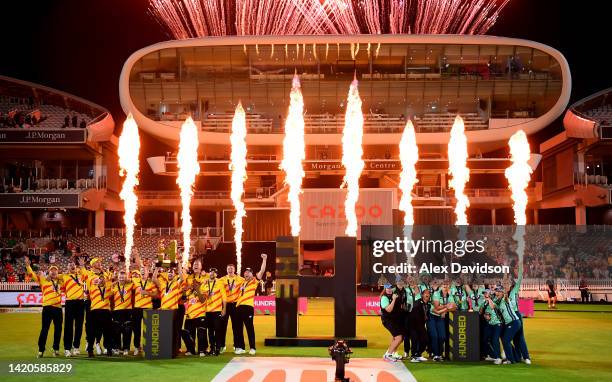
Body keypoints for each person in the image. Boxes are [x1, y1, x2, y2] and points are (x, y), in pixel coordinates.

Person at [25, 257, 63, 358]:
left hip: (58, 308)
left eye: (55, 270)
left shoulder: (60, 281)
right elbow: (32, 275)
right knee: (45, 329)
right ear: (48, 272)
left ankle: (56, 349)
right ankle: (41, 350)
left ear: (58, 272)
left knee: (58, 330)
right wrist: (28, 266)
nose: (54, 272)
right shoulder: (42, 279)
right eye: (52, 270)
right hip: (47, 308)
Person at [234, 254, 267, 355]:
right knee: (238, 328)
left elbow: (261, 271)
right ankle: (241, 347)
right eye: (245, 272)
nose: (246, 273)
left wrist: (264, 260)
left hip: (248, 307)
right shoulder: (241, 282)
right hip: (238, 307)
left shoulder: (254, 281)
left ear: (252, 274)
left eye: (249, 272)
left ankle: (252, 347)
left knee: (249, 328)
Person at [152, 259, 185, 357]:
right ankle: (164, 350)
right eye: (169, 273)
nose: (170, 274)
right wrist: (157, 267)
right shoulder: (162, 284)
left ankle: (174, 352)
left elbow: (182, 279)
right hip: (163, 311)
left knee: (174, 332)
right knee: (164, 331)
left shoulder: (176, 284)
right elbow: (154, 279)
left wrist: (179, 266)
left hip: (173, 311)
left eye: (172, 273)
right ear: (167, 275)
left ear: (174, 275)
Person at [82, 258, 114, 357]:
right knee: (92, 331)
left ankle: (108, 349)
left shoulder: (108, 285)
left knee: (107, 331)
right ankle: (90, 350)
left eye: (103, 279)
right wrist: (82, 265)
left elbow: (112, 280)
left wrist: (105, 272)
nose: (102, 280)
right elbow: (84, 276)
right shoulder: (91, 283)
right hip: (94, 310)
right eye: (97, 262)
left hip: (106, 311)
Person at [181, 263, 208, 357]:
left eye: (196, 282)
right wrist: (184, 291)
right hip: (189, 315)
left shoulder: (204, 288)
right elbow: (183, 300)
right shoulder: (189, 290)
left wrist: (198, 289)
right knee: (187, 333)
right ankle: (190, 350)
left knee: (201, 333)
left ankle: (202, 350)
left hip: (200, 314)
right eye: (193, 282)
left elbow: (203, 300)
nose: (194, 283)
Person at [131, 262, 157, 355]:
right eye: (141, 271)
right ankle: (137, 347)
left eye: (144, 271)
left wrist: (147, 293)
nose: (142, 272)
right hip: (137, 308)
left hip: (148, 308)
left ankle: (148, 347)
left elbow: (155, 294)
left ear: (147, 272)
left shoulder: (151, 282)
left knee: (148, 329)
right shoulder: (135, 281)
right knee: (136, 329)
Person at [61, 261, 86, 357]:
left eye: (73, 265)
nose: (72, 266)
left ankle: (76, 347)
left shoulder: (81, 275)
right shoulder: (64, 276)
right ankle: (67, 348)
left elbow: (87, 274)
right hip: (70, 302)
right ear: (67, 267)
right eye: (70, 265)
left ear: (76, 267)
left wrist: (82, 266)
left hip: (80, 302)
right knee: (68, 326)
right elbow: (62, 289)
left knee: (79, 326)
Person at [218, 263, 244, 353]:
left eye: (231, 268)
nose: (230, 269)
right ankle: (221, 345)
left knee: (237, 326)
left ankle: (237, 346)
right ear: (226, 269)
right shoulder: (222, 280)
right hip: (225, 304)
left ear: (234, 269)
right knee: (222, 326)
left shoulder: (240, 279)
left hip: (236, 305)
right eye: (228, 268)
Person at [202, 267, 226, 355]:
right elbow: (201, 293)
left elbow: (224, 298)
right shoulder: (205, 283)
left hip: (217, 310)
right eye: (211, 272)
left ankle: (218, 348)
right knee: (210, 331)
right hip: (207, 311)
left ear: (216, 274)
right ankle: (212, 348)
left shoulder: (220, 283)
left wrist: (224, 309)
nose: (212, 274)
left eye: (214, 272)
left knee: (217, 330)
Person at [495, 285, 522, 364]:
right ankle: (516, 358)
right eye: (496, 291)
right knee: (505, 340)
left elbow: (506, 296)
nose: (497, 293)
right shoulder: (498, 302)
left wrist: (505, 291)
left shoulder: (505, 299)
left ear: (503, 293)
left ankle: (510, 360)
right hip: (511, 323)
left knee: (506, 340)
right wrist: (488, 299)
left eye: (499, 291)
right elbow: (493, 306)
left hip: (514, 322)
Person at [112, 270, 134, 356]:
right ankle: (117, 348)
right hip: (117, 311)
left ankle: (126, 348)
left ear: (126, 278)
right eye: (120, 277)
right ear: (118, 278)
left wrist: (130, 280)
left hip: (128, 311)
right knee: (116, 330)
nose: (122, 278)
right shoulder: (114, 287)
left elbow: (137, 283)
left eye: (123, 277)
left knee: (127, 330)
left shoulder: (130, 285)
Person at [380, 283, 403, 362]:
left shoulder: (395, 295)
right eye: (387, 288)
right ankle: (388, 355)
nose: (389, 290)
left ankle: (391, 353)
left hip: (395, 320)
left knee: (396, 337)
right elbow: (389, 310)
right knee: (398, 337)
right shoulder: (384, 298)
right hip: (387, 320)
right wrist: (393, 300)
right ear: (385, 289)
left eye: (391, 288)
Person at [428, 281, 449, 362]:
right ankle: (435, 354)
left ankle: (439, 354)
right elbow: (436, 307)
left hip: (440, 317)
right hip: (432, 316)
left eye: (446, 284)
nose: (445, 285)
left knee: (442, 336)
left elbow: (454, 306)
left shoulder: (449, 295)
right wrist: (446, 308)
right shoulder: (436, 293)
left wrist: (444, 310)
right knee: (434, 336)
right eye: (444, 284)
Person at [482, 289, 504, 364]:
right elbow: (480, 311)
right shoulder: (484, 302)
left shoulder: (495, 300)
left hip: (497, 323)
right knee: (485, 339)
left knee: (495, 340)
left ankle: (498, 357)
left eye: (486, 293)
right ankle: (492, 355)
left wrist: (488, 299)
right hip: (489, 324)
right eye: (484, 294)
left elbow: (492, 307)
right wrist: (485, 314)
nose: (485, 295)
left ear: (490, 295)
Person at [408, 289, 430, 363]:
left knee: (425, 339)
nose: (427, 294)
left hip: (421, 325)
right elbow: (414, 314)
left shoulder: (428, 304)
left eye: (428, 293)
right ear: (422, 295)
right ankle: (413, 356)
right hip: (413, 325)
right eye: (425, 293)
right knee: (414, 340)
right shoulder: (418, 303)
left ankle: (418, 354)